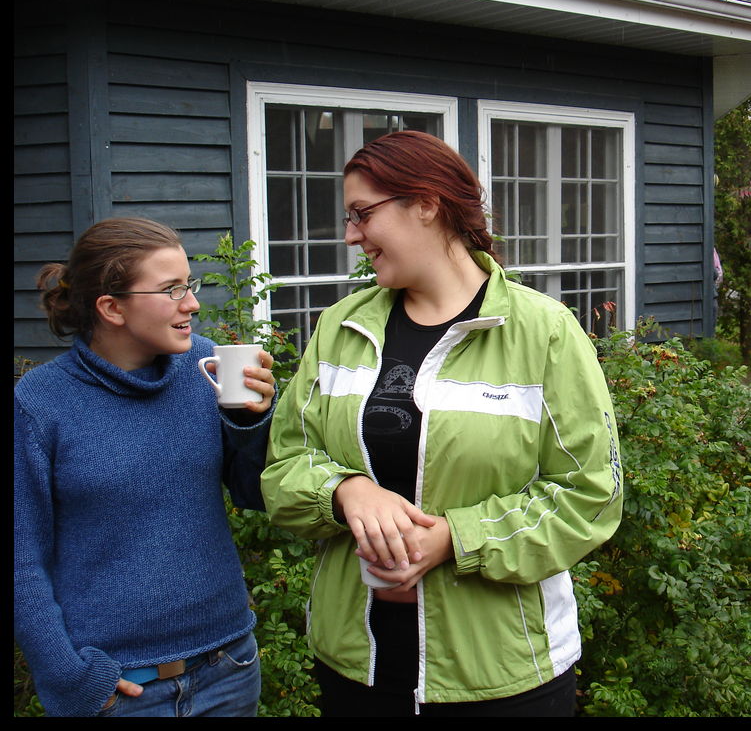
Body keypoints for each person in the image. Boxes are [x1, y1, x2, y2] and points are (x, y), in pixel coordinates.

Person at [262, 130, 623, 717]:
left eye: (362, 214)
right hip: (357, 664)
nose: (351, 234)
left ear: (426, 204)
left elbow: (591, 496)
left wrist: (455, 538)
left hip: (502, 673)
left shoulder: (544, 332)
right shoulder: (339, 328)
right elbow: (283, 468)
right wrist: (345, 491)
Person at [14, 217, 277, 717]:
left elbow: (255, 494)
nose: (193, 303)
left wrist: (250, 423)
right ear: (111, 307)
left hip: (229, 668)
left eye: (190, 284)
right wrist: (70, 680)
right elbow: (20, 559)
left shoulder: (207, 369)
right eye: (171, 289)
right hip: (123, 692)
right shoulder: (39, 404)